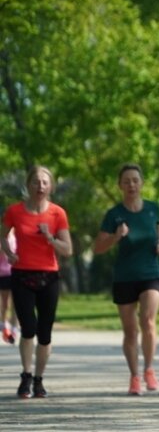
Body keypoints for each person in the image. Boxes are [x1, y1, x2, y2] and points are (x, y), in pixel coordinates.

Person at [0, 165, 73, 398]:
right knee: (28, 328)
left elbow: (68, 249)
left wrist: (50, 237)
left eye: (44, 182)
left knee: (45, 332)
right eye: (35, 182)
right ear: (28, 185)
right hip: (21, 275)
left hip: (48, 276)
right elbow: (2, 235)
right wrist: (9, 254)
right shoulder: (15, 211)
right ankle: (26, 375)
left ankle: (40, 379)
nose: (40, 186)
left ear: (50, 186)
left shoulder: (57, 213)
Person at [93, 164, 159, 396]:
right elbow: (98, 248)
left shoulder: (153, 209)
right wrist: (116, 236)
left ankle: (149, 369)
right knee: (131, 331)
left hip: (150, 273)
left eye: (135, 180)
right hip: (124, 277)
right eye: (126, 181)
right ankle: (134, 376)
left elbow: (158, 231)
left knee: (148, 321)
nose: (131, 185)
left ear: (141, 183)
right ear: (120, 186)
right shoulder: (114, 215)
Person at [0, 228, 20, 344]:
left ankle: (14, 328)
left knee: (16, 304)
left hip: (16, 273)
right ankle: (4, 325)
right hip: (3, 274)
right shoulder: (2, 239)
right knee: (5, 303)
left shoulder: (17, 239)